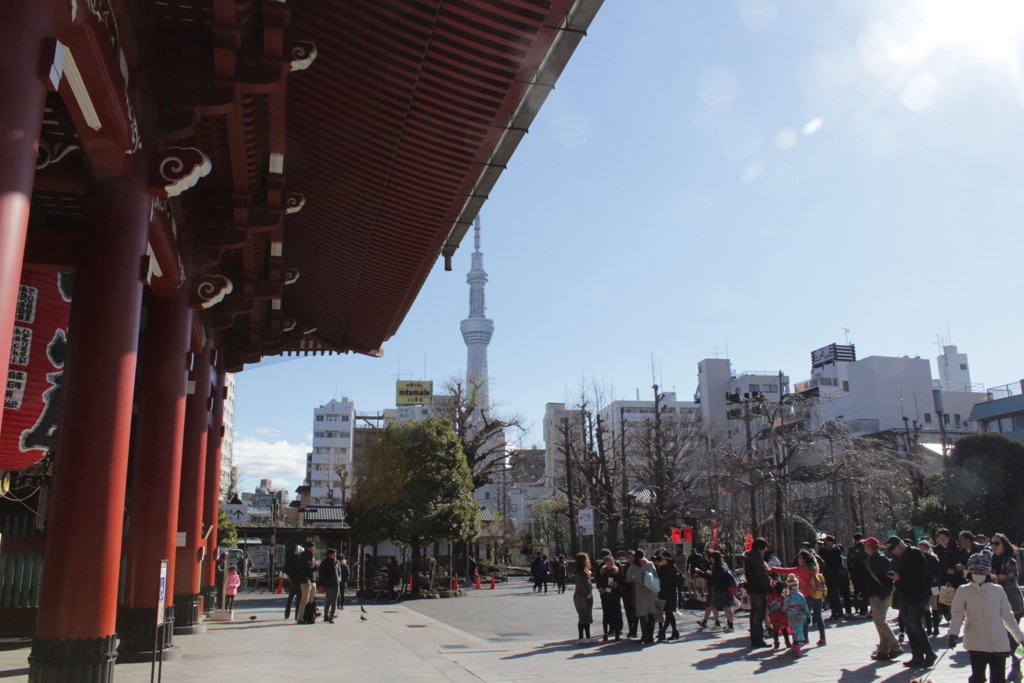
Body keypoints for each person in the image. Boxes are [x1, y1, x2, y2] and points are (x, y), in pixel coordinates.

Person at [948, 548, 1024, 683]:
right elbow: (957, 614)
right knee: (978, 677)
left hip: (998, 641)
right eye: (975, 572)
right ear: (969, 573)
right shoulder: (963, 591)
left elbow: (1008, 616)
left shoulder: (997, 590)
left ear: (988, 572)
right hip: (975, 641)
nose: (978, 575)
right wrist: (953, 633)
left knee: (998, 679)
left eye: (981, 572)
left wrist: (1020, 638)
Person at [887, 535, 936, 668]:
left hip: (918, 594)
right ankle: (917, 656)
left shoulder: (916, 554)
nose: (893, 552)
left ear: (900, 545)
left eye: (894, 549)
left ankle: (930, 653)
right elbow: (895, 569)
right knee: (908, 625)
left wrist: (900, 577)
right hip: (904, 595)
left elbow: (920, 574)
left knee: (915, 624)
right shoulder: (897, 557)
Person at [771, 549, 827, 646]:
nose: (798, 559)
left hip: (808, 596)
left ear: (804, 559)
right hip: (817, 595)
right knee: (818, 617)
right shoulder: (814, 568)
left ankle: (805, 638)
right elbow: (807, 578)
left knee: (804, 617)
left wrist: (773, 569)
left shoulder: (802, 568)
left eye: (800, 558)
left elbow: (788, 571)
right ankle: (823, 638)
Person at [861, 537, 901, 661]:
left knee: (880, 622)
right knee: (879, 622)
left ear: (869, 547)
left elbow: (888, 577)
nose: (864, 548)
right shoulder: (875, 559)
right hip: (877, 593)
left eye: (865, 545)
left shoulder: (879, 560)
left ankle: (895, 646)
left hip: (879, 594)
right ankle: (884, 650)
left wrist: (881, 591)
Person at [990, 532, 1024, 679]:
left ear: (1004, 546)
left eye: (997, 543)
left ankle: (1016, 667)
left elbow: (1010, 579)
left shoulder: (1010, 561)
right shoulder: (988, 560)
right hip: (993, 604)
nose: (993, 546)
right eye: (992, 543)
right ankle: (1000, 670)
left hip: (1011, 603)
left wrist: (994, 577)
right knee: (999, 637)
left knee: (1013, 637)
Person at [626, 549, 661, 644]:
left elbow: (628, 578)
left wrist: (637, 581)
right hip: (651, 591)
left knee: (642, 615)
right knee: (651, 615)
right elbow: (656, 576)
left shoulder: (634, 566)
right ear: (644, 555)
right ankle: (651, 637)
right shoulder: (649, 564)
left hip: (640, 592)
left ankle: (644, 636)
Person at [744, 537, 773, 648]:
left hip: (752, 588)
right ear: (760, 548)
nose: (765, 551)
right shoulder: (756, 558)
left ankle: (755, 639)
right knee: (759, 615)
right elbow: (761, 575)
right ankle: (758, 640)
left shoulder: (749, 557)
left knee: (754, 614)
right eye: (764, 548)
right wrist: (769, 588)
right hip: (759, 589)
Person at [697, 550, 735, 633]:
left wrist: (709, 574)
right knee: (727, 607)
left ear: (714, 558)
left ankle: (718, 624)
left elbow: (716, 579)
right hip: (727, 589)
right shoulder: (723, 565)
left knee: (715, 605)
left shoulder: (716, 567)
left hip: (720, 590)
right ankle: (730, 625)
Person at [820, 536, 849, 621]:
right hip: (827, 576)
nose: (825, 542)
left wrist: (826, 551)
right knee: (830, 597)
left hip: (835, 576)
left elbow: (831, 561)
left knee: (835, 596)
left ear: (831, 542)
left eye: (827, 541)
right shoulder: (823, 551)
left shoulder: (836, 551)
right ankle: (833, 614)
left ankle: (839, 614)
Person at [935, 528, 960, 624]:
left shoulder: (956, 548)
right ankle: (948, 616)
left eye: (944, 537)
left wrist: (954, 569)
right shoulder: (936, 549)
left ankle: (956, 617)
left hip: (955, 577)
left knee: (956, 599)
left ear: (949, 538)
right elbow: (937, 564)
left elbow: (958, 561)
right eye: (940, 538)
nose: (942, 540)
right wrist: (945, 569)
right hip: (942, 577)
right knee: (943, 600)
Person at [655, 550, 681, 641]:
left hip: (670, 594)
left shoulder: (671, 570)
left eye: (663, 559)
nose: (661, 560)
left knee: (669, 613)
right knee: (669, 614)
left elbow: (669, 582)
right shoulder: (663, 568)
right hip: (665, 594)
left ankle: (663, 631)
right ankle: (674, 631)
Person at [596, 554, 623, 641]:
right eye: (609, 561)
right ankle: (605, 632)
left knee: (616, 614)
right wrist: (600, 588)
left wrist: (616, 585)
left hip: (614, 595)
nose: (611, 563)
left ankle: (617, 632)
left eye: (612, 561)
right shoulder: (602, 572)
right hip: (605, 596)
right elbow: (598, 582)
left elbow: (621, 582)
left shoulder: (617, 571)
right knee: (606, 614)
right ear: (605, 562)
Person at [919, 540, 943, 637]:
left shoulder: (933, 558)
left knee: (934, 605)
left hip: (933, 585)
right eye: (920, 549)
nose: (921, 551)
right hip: (925, 585)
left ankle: (936, 628)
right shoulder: (919, 559)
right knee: (926, 607)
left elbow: (937, 572)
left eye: (923, 549)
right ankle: (929, 628)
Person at [573, 553, 595, 644]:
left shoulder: (585, 571)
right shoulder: (579, 573)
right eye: (586, 559)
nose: (588, 561)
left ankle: (588, 636)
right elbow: (580, 586)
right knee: (583, 616)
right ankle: (581, 637)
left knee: (587, 616)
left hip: (588, 596)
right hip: (582, 597)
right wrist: (587, 594)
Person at [784, 574, 809, 657]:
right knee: (799, 629)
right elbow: (805, 606)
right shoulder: (800, 595)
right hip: (800, 615)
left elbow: (785, 607)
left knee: (794, 630)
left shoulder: (787, 597)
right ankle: (797, 646)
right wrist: (808, 615)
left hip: (791, 615)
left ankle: (796, 646)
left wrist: (784, 611)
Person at [295, 542, 319, 624]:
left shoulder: (312, 557)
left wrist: (316, 567)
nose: (314, 549)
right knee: (304, 600)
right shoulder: (303, 557)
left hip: (312, 580)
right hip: (306, 582)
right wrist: (306, 579)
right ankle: (300, 618)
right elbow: (301, 570)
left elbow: (310, 570)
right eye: (312, 547)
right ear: (308, 548)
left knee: (311, 601)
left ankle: (309, 617)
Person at [318, 548, 342, 623]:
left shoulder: (337, 562)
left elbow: (339, 572)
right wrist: (326, 582)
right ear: (329, 555)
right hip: (328, 584)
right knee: (328, 601)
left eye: (335, 554)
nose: (335, 555)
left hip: (336, 584)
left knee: (334, 601)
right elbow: (322, 574)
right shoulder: (324, 563)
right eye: (334, 554)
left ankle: (332, 616)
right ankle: (326, 616)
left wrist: (339, 579)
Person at [767, 580, 792, 650]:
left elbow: (768, 605)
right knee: (784, 629)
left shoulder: (770, 596)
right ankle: (787, 642)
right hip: (781, 614)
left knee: (775, 629)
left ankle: (776, 642)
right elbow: (785, 605)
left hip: (773, 615)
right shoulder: (782, 597)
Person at [848, 537, 869, 618]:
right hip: (866, 577)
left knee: (860, 595)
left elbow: (854, 567)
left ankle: (862, 611)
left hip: (858, 578)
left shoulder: (857, 557)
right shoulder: (867, 555)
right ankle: (866, 610)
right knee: (865, 594)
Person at [620, 551, 638, 638]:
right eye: (628, 557)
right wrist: (626, 580)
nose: (630, 559)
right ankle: (631, 629)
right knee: (628, 611)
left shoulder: (637, 566)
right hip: (626, 591)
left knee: (636, 611)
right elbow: (621, 579)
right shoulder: (623, 567)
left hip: (636, 592)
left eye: (632, 557)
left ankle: (635, 630)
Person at [283, 545, 303, 619]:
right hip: (299, 581)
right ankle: (297, 615)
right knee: (299, 598)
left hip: (292, 580)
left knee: (290, 597)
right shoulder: (301, 560)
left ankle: (287, 614)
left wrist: (290, 575)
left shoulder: (290, 559)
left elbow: (285, 569)